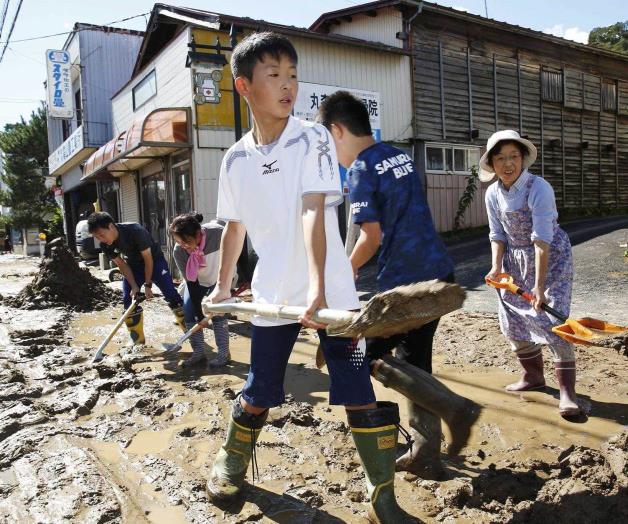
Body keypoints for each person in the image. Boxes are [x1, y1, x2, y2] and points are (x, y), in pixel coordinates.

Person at [204, 32, 417, 522]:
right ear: (244, 86)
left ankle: (382, 497)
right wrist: (220, 286)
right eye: (274, 75)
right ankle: (230, 464)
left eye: (293, 75)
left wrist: (320, 289)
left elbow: (311, 211)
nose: (288, 85)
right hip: (273, 295)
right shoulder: (234, 158)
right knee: (259, 391)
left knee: (358, 393)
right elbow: (234, 227)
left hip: (334, 293)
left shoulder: (312, 137)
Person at [318, 91, 461, 480]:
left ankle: (452, 410)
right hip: (440, 277)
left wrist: (340, 274)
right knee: (416, 362)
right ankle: (426, 451)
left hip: (406, 287)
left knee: (358, 355)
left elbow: (371, 238)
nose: (335, 157)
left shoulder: (362, 169)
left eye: (329, 144)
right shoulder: (400, 156)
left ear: (337, 130)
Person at [481, 130, 580, 418]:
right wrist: (496, 267)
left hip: (550, 257)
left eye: (513, 156)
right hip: (514, 260)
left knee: (554, 320)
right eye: (500, 158)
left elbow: (541, 239)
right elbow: (497, 234)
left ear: (523, 158)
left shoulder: (539, 188)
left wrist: (538, 286)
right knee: (511, 319)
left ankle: (567, 394)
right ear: (493, 163)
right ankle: (533, 377)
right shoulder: (492, 193)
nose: (507, 164)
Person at [87, 212, 185, 347]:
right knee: (128, 300)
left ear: (111, 226)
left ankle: (191, 332)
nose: (101, 240)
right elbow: (122, 265)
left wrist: (148, 285)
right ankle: (138, 342)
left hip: (155, 262)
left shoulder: (135, 230)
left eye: (101, 235)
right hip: (133, 265)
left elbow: (148, 259)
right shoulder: (105, 244)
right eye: (96, 237)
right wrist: (134, 286)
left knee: (171, 295)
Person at [169, 212, 231, 368]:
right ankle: (198, 352)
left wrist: (243, 276)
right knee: (190, 312)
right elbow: (192, 284)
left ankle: (224, 353)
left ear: (198, 233)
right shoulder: (179, 251)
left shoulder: (217, 233)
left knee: (218, 313)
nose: (184, 246)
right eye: (179, 242)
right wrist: (198, 312)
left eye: (187, 241)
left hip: (219, 280)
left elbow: (236, 246)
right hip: (197, 281)